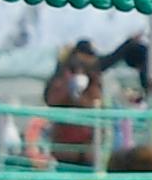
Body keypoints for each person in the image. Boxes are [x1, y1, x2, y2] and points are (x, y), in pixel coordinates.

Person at [39, 39, 106, 168]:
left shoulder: (94, 79)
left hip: (87, 144)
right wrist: (68, 85)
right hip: (65, 144)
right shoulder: (61, 78)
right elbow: (52, 100)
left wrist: (79, 95)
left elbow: (95, 103)